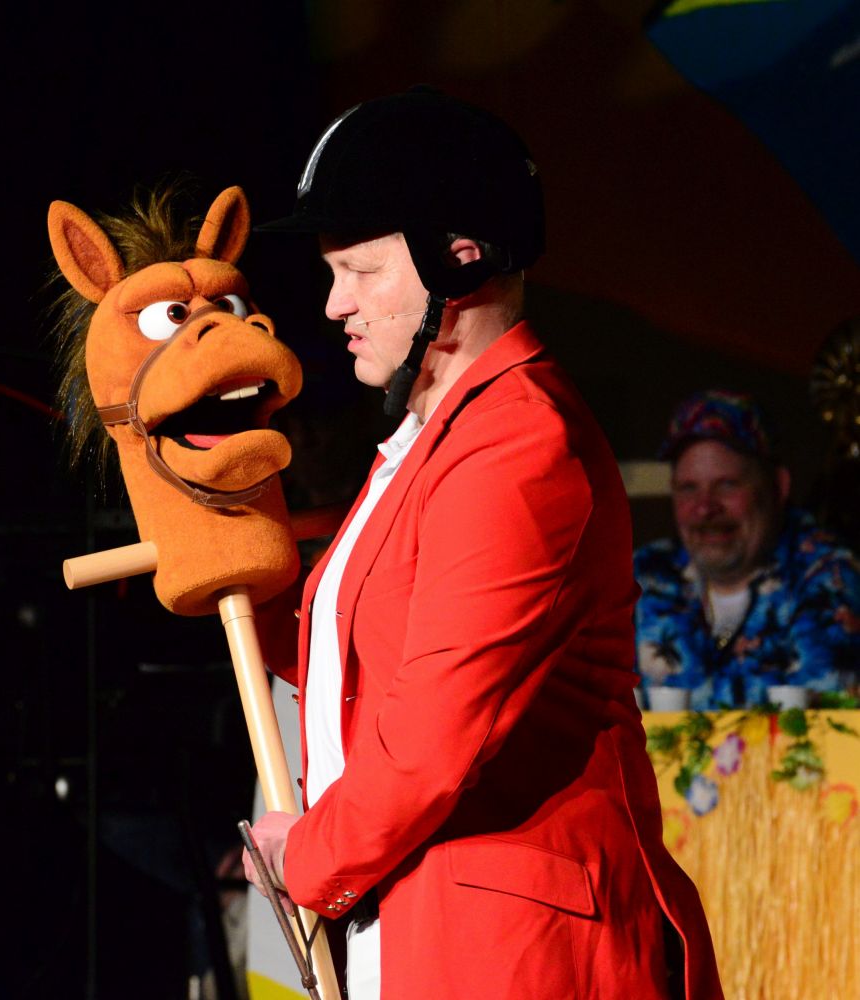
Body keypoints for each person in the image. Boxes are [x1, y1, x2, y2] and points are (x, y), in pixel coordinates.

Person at [245, 87, 722, 1000]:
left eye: (361, 271)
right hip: (425, 927)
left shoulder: (519, 444)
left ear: (460, 259)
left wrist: (304, 857)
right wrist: (226, 551)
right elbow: (353, 666)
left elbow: (431, 739)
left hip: (514, 951)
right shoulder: (435, 433)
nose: (336, 304)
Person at [634, 388, 860, 710]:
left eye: (727, 485)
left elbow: (826, 725)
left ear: (778, 486)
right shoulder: (645, 577)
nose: (705, 508)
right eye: (688, 488)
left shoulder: (829, 576)